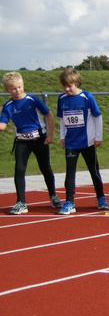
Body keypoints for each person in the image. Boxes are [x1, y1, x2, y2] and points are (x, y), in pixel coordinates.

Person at [1, 72, 61, 214]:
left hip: (39, 138)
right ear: (7, 90)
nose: (18, 91)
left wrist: (50, 135)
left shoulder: (32, 100)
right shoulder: (8, 106)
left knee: (45, 167)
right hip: (22, 141)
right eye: (14, 89)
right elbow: (2, 126)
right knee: (19, 170)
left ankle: (53, 196)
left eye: (20, 87)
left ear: (23, 85)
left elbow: (49, 114)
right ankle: (21, 202)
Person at [56, 68, 108, 214]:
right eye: (64, 86)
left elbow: (98, 117)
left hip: (87, 141)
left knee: (94, 170)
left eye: (69, 86)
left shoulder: (87, 97)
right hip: (71, 142)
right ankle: (69, 201)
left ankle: (101, 197)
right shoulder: (61, 99)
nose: (67, 89)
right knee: (70, 172)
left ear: (76, 83)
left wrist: (98, 137)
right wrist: (62, 136)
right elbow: (62, 119)